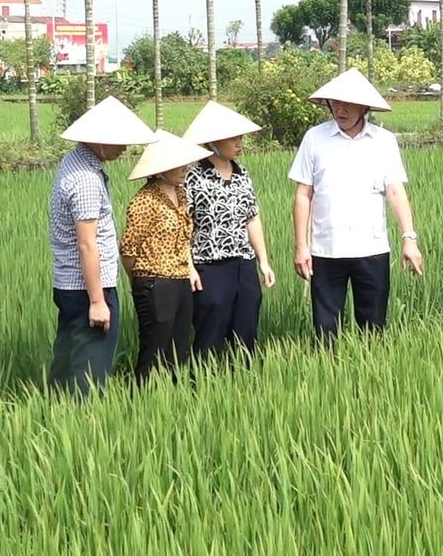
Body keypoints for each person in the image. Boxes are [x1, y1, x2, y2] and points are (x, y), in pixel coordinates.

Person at [288, 68, 424, 344]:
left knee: (373, 330)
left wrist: (409, 238)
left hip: (372, 248)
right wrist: (301, 246)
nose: (341, 110)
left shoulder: (383, 141)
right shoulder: (314, 138)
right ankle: (327, 369)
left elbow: (396, 192)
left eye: (348, 104)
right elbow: (303, 195)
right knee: (325, 332)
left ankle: (371, 368)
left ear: (364, 107)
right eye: (336, 103)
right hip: (326, 250)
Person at [48, 96, 157, 396]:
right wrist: (98, 301)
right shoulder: (85, 179)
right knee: (90, 373)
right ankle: (85, 418)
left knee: (67, 361)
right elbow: (87, 244)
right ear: (101, 141)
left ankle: (55, 410)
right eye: (120, 142)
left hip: (71, 286)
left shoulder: (74, 163)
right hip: (88, 289)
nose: (125, 148)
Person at [182, 101, 277, 359]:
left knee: (246, 329)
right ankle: (204, 379)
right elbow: (183, 225)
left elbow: (252, 218)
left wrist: (263, 262)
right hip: (209, 266)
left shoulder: (241, 173)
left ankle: (244, 378)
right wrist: (189, 267)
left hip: (243, 264)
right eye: (233, 138)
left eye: (240, 137)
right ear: (213, 141)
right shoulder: (192, 176)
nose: (239, 143)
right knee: (210, 332)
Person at [121, 131, 212, 381]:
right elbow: (128, 249)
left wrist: (189, 269)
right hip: (154, 282)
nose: (185, 168)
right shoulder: (144, 201)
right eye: (178, 164)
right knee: (154, 348)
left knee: (179, 348)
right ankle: (141, 396)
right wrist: (139, 280)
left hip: (180, 280)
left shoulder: (181, 194)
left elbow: (184, 239)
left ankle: (173, 396)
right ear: (160, 169)